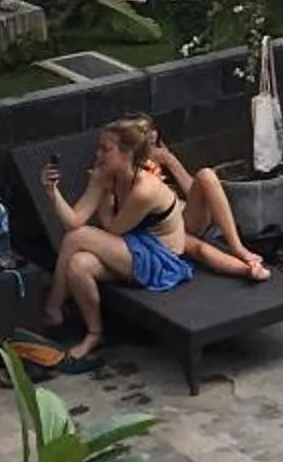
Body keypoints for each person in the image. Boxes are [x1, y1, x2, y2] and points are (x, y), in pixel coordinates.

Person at [40, 124, 230, 361]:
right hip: (131, 249)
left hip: (157, 259)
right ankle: (94, 333)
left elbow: (113, 229)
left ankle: (54, 306)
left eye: (105, 149)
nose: (98, 155)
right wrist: (52, 192)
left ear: (127, 153)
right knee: (78, 264)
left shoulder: (143, 188)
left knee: (77, 239)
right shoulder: (104, 176)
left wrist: (106, 197)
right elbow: (74, 220)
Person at [116, 115, 272, 281]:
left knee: (206, 175)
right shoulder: (129, 172)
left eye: (155, 142)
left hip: (188, 216)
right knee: (201, 250)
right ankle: (248, 270)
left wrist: (170, 161)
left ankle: (237, 246)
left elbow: (194, 192)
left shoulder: (164, 161)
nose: (154, 149)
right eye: (149, 144)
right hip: (164, 227)